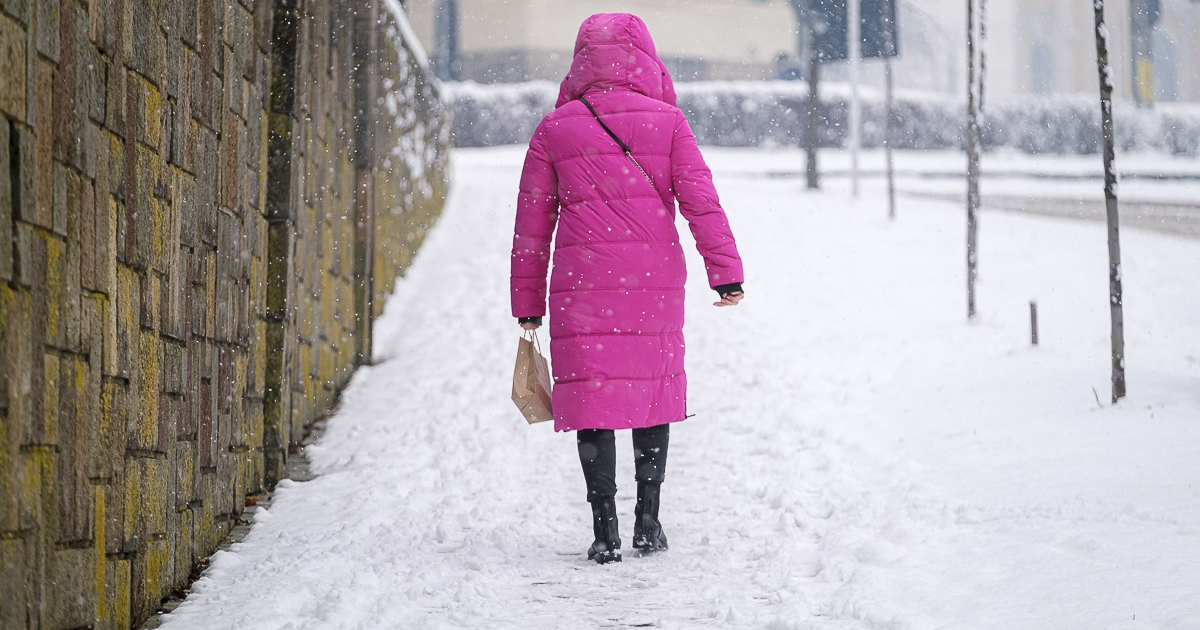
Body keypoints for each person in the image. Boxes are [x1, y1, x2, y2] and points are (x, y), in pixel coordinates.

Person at [510, 13, 745, 565]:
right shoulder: (668, 123)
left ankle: (603, 528)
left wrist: (526, 304)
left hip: (582, 280)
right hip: (652, 278)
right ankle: (649, 521)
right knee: (650, 391)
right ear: (645, 57)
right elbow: (700, 200)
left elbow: (532, 225)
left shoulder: (557, 127)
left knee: (591, 396)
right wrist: (726, 271)